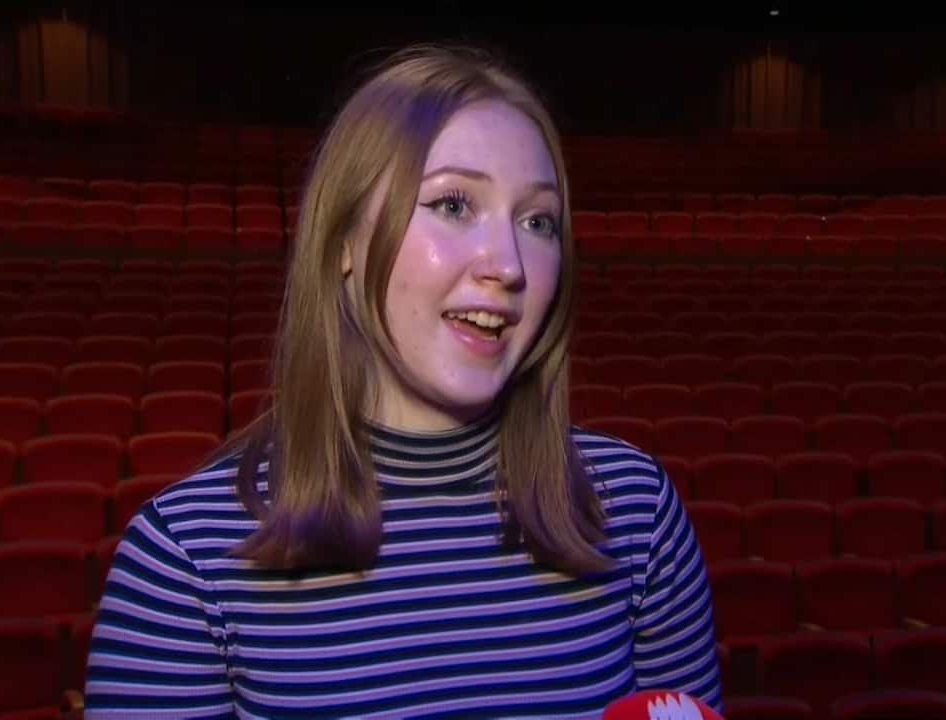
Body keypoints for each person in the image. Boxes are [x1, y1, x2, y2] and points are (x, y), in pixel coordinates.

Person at [85, 44, 722, 719]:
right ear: (343, 242)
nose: (508, 265)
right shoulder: (185, 558)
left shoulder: (637, 512)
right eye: (453, 204)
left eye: (538, 221)